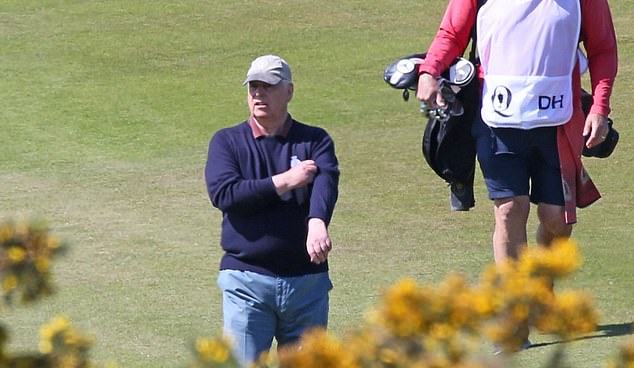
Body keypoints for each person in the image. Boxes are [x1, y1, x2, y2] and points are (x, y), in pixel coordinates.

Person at [416, 0, 618, 350]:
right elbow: (452, 31)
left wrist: (599, 107)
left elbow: (602, 47)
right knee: (510, 211)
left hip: (559, 123)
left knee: (558, 222)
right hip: (497, 122)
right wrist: (429, 71)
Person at [204, 54, 340, 366]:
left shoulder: (314, 140)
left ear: (289, 91)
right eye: (253, 87)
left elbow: (326, 182)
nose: (258, 94)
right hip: (246, 281)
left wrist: (317, 221)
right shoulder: (227, 142)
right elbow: (226, 194)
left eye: (267, 87)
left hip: (307, 284)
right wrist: (286, 180)